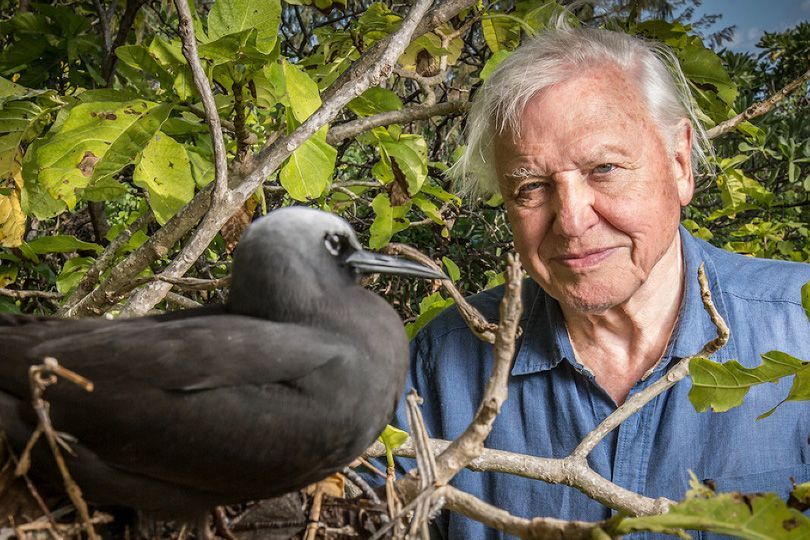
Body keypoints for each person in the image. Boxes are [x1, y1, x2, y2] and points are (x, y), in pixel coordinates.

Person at [388, 26, 810, 538]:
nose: (570, 220)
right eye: (531, 186)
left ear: (680, 163)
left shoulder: (799, 326)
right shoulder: (436, 367)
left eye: (604, 168)